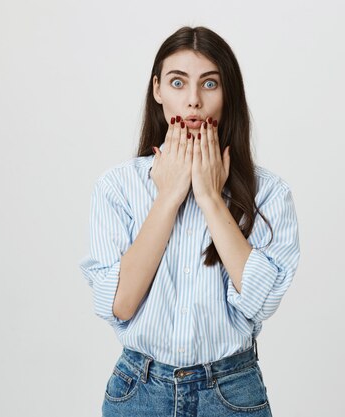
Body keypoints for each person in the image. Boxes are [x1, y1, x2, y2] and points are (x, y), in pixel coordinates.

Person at [79, 26, 300, 417]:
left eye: (209, 83)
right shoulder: (118, 186)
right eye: (178, 82)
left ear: (227, 91)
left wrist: (212, 198)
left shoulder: (269, 192)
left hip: (232, 393)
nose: (193, 101)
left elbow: (261, 302)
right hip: (139, 391)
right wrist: (168, 198)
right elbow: (121, 304)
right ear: (158, 90)